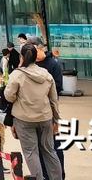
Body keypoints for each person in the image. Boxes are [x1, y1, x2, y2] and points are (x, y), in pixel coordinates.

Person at [4, 42, 62, 180]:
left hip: (24, 119)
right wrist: (56, 119)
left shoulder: (17, 75)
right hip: (45, 118)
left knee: (31, 152)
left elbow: (9, 96)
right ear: (36, 57)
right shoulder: (46, 74)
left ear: (22, 57)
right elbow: (54, 99)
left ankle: (38, 178)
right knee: (49, 151)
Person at [37, 42, 67, 175]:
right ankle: (44, 174)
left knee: (53, 144)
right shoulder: (28, 65)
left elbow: (58, 87)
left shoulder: (53, 64)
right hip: (34, 113)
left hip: (49, 110)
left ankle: (59, 174)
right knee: (39, 146)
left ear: (41, 49)